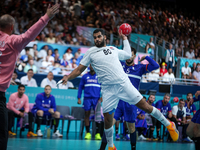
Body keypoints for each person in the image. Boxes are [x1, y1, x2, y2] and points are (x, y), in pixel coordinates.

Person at [60, 28, 178, 150]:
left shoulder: (113, 49)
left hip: (123, 84)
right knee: (107, 120)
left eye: (99, 36)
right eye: (95, 37)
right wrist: (68, 77)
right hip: (107, 90)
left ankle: (169, 124)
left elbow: (127, 54)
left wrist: (125, 39)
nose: (97, 39)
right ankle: (111, 147)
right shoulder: (91, 52)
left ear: (105, 37)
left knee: (146, 107)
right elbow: (79, 70)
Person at [0, 4, 59, 148]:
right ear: (11, 27)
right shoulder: (11, 41)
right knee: (2, 132)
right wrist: (46, 17)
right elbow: (29, 34)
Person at [99, 48, 159, 150]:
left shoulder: (139, 68)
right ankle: (101, 148)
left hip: (131, 103)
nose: (128, 57)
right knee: (109, 125)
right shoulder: (119, 65)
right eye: (127, 55)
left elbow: (156, 66)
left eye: (131, 55)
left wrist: (147, 57)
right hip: (117, 101)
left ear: (134, 56)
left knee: (131, 127)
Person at [77, 65, 102, 140]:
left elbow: (104, 87)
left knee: (97, 116)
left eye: (93, 65)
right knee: (86, 114)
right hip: (87, 99)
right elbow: (80, 87)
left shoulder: (99, 76)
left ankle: (98, 133)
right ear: (89, 66)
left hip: (97, 99)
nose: (92, 67)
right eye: (91, 65)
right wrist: (78, 97)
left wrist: (102, 96)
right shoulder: (85, 76)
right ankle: (88, 133)